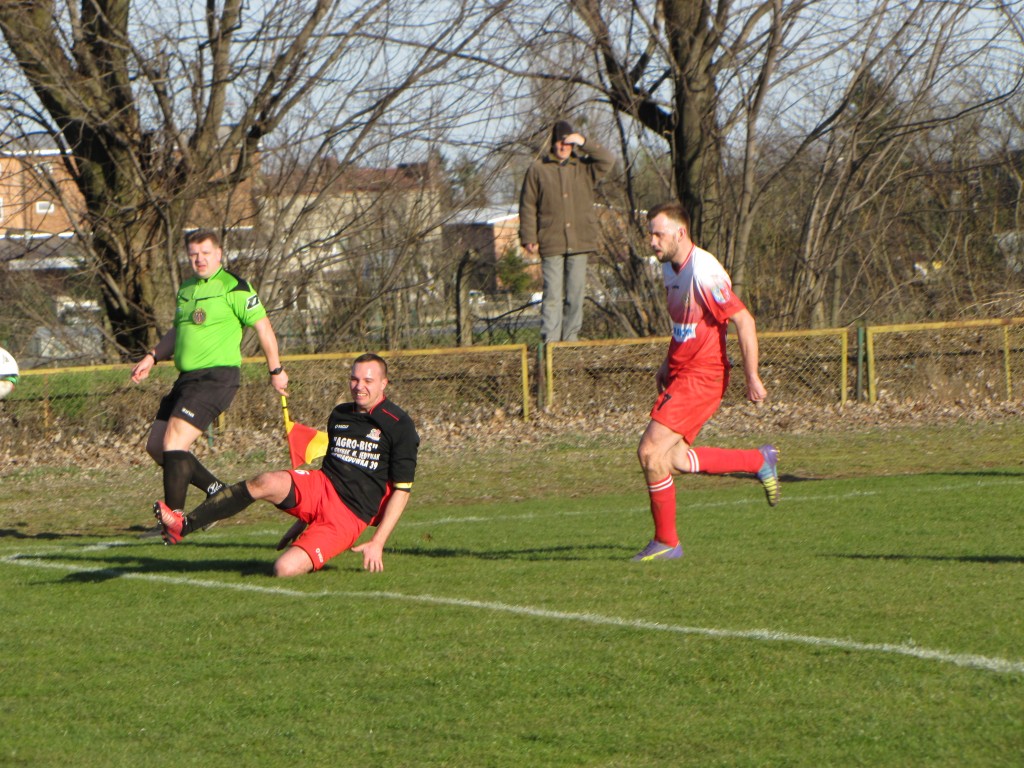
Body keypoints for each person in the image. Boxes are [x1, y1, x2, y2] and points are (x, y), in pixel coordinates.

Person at [154, 353, 419, 577]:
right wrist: (303, 519)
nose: (359, 386)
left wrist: (378, 542)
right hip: (322, 486)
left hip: (349, 515)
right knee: (265, 481)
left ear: (384, 383)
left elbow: (402, 490)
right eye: (354, 378)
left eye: (368, 380)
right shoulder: (340, 415)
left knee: (284, 569)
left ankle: (319, 547)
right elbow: (331, 468)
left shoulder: (399, 424)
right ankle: (183, 525)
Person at [632, 201, 779, 562]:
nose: (651, 241)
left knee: (650, 452)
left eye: (658, 233)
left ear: (680, 233)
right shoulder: (670, 269)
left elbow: (744, 321)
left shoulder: (705, 271)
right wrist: (667, 363)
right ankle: (758, 460)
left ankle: (667, 542)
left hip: (703, 377)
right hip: (683, 374)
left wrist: (752, 376)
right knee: (675, 459)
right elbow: (684, 325)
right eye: (650, 233)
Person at [130, 228, 289, 521]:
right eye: (193, 255)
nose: (199, 260)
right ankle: (216, 490)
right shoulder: (187, 289)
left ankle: (175, 519)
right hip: (187, 379)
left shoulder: (235, 287)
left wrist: (275, 369)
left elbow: (263, 328)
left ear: (218, 254)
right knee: (157, 447)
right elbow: (179, 330)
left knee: (175, 443)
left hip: (217, 378)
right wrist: (152, 357)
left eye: (205, 253)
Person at [518, 120, 614, 343]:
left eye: (568, 143)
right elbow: (528, 204)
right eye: (560, 143)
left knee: (575, 295)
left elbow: (608, 160)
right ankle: (550, 345)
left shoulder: (584, 167)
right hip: (551, 242)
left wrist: (584, 142)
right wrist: (529, 237)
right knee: (552, 296)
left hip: (580, 241)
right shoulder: (538, 169)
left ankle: (570, 345)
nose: (564, 147)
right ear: (553, 144)